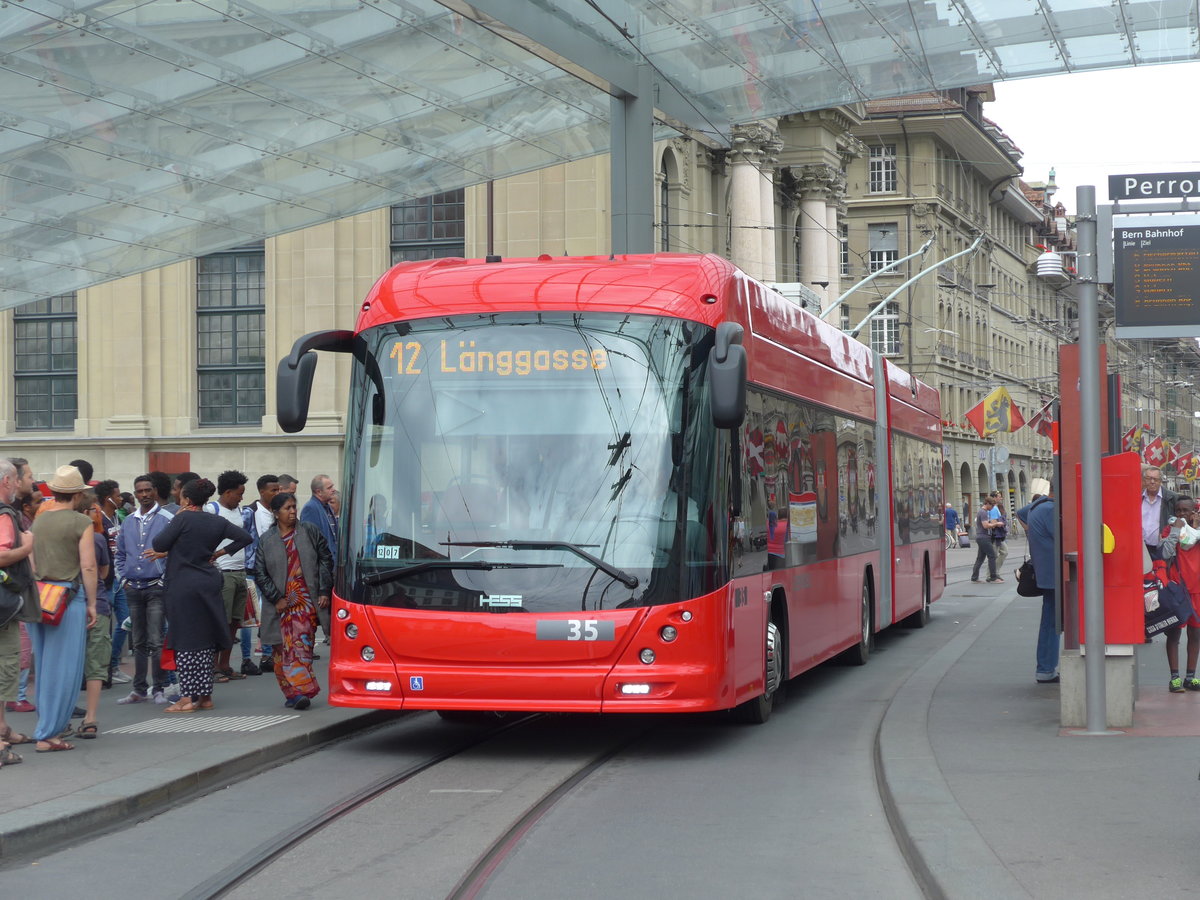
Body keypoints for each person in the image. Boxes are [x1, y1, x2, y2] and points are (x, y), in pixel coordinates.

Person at [148, 478, 252, 713]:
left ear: (186, 498)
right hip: (208, 581)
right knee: (205, 639)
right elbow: (245, 538)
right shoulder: (216, 520)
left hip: (183, 585)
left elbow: (159, 542)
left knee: (184, 639)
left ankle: (186, 697)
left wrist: (177, 519)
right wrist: (219, 553)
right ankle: (205, 696)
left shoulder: (182, 518)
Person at [28, 465, 98, 752]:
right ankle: (48, 734)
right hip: (68, 597)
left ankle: (47, 726)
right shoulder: (81, 523)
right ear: (78, 493)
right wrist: (92, 603)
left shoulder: (38, 520)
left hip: (39, 596)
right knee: (65, 668)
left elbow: (31, 561)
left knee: (44, 666)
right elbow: (89, 566)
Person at [252, 492, 333, 709]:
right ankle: (291, 692)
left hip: (306, 602)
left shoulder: (309, 531)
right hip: (280, 605)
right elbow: (259, 572)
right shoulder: (267, 540)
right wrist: (275, 597)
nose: (292, 511)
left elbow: (326, 558)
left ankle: (300, 692)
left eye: (294, 507)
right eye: (287, 508)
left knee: (301, 646)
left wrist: (324, 590)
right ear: (276, 513)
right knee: (281, 650)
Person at [114, 475, 175, 704]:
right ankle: (139, 689)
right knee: (138, 641)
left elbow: (175, 551)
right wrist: (123, 578)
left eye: (148, 490)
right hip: (133, 587)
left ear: (155, 491)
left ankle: (158, 688)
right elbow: (120, 553)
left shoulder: (167, 519)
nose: (144, 495)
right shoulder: (128, 521)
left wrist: (163, 579)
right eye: (140, 491)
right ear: (135, 494)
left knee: (156, 640)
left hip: (156, 587)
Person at [0, 459, 36, 762]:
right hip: (3, 608)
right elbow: (1, 557)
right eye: (24, 478)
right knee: (4, 666)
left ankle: (2, 729)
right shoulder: (4, 514)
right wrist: (27, 547)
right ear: (8, 481)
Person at [205, 470, 251, 683]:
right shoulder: (212, 510)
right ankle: (213, 667)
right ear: (228, 492)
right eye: (239, 494)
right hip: (222, 573)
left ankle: (225, 664)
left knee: (234, 622)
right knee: (220, 621)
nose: (241, 498)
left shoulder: (239, 510)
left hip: (240, 571)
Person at [75, 491, 113, 738]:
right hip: (95, 604)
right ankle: (90, 717)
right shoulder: (96, 539)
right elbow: (102, 571)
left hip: (62, 605)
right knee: (96, 663)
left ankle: (60, 715)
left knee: (69, 663)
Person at [1017, 477, 1058, 683]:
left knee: (1050, 621)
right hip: (1054, 573)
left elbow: (1020, 513)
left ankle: (1046, 668)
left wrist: (1032, 533)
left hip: (1044, 572)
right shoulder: (1050, 509)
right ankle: (1045, 669)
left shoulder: (1038, 505)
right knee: (1052, 623)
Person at [1159, 495, 1200, 692]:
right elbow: (1165, 553)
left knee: (1195, 633)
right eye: (1178, 511)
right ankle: (1174, 678)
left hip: (1197, 590)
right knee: (1174, 633)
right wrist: (1176, 529)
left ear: (1194, 512)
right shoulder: (1170, 530)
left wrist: (1196, 527)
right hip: (1177, 589)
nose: (1182, 514)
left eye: (1186, 510)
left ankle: (1190, 677)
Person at [301, 475, 338, 643]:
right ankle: (309, 643)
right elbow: (311, 543)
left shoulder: (327, 507)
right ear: (318, 491)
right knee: (318, 608)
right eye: (329, 487)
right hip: (320, 568)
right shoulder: (311, 508)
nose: (333, 489)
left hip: (332, 566)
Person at [1142, 465, 1179, 557]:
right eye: (1149, 478)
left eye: (1155, 479)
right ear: (1144, 480)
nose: (1152, 482)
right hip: (1141, 548)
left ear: (1161, 481)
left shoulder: (1172, 498)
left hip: (1162, 548)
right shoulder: (1137, 497)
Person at [970, 497, 1002, 584]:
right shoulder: (983, 512)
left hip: (981, 537)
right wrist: (996, 524)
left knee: (980, 558)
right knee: (992, 556)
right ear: (987, 503)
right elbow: (985, 525)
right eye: (991, 506)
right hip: (984, 537)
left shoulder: (983, 512)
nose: (992, 508)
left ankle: (974, 577)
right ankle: (993, 577)